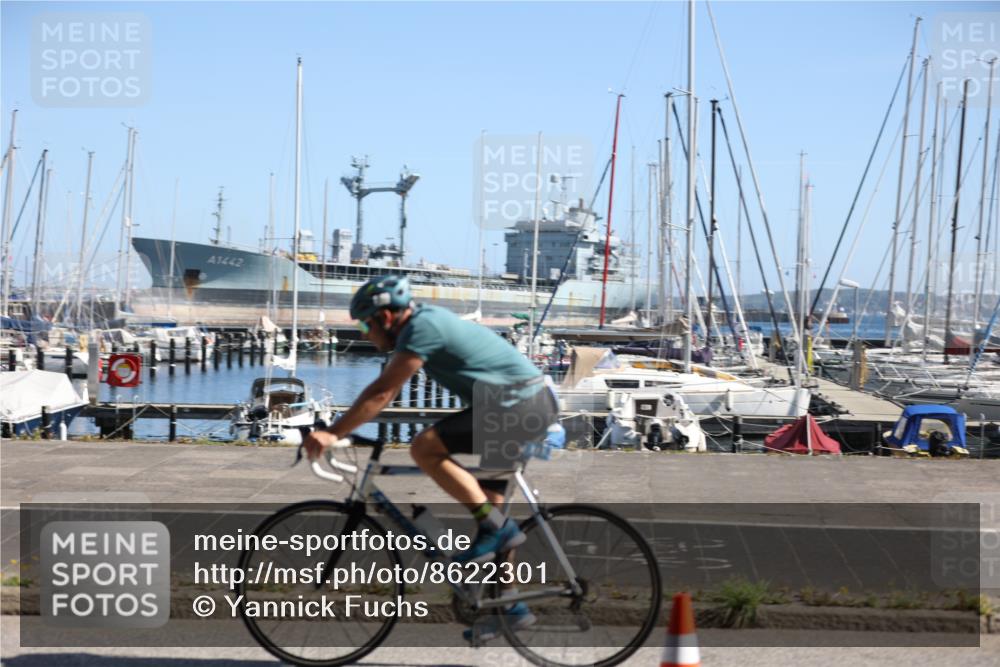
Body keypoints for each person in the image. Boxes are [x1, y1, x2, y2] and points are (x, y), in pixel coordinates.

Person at [303, 275, 558, 639]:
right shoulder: (421, 321)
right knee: (494, 515)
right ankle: (510, 607)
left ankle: (497, 535)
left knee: (424, 447)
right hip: (518, 405)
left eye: (364, 324)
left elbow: (383, 392)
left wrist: (333, 432)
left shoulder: (421, 327)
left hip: (516, 407)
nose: (362, 333)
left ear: (386, 316)